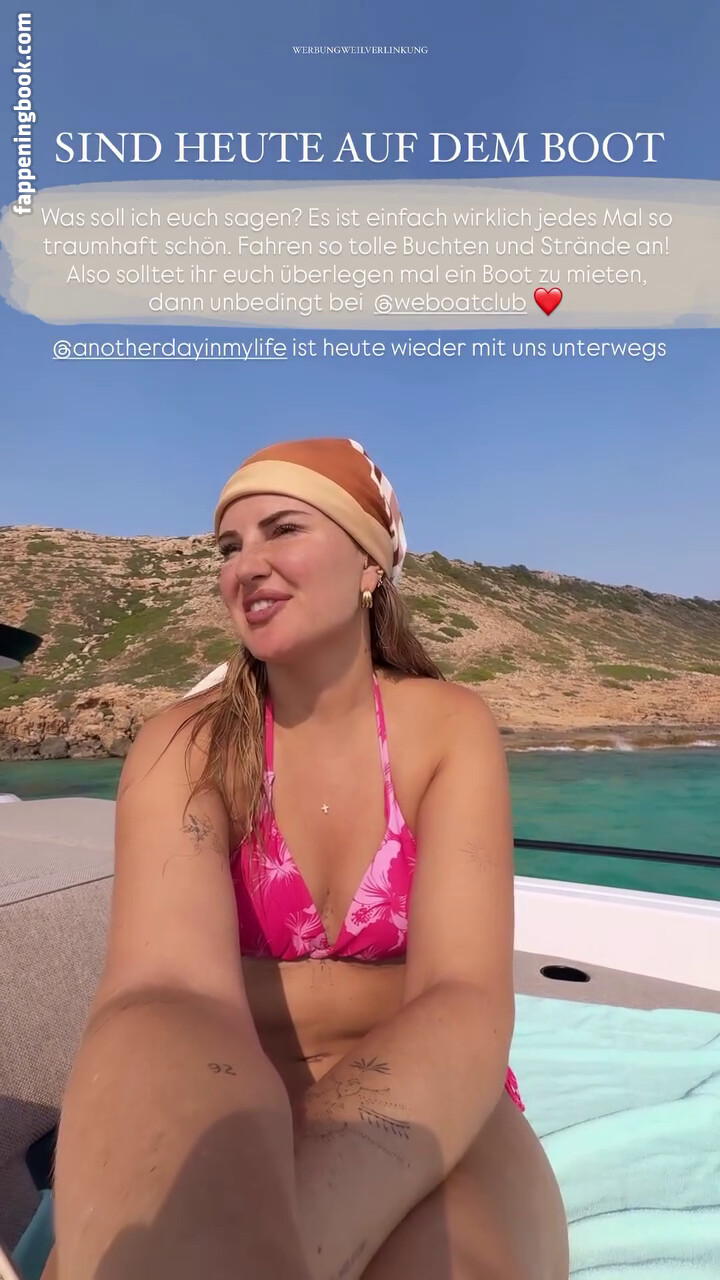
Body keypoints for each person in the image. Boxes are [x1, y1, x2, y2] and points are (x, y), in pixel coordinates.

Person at [48, 437, 569, 1280]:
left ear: (369, 564)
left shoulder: (448, 728)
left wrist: (283, 1244)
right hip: (227, 1079)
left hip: (428, 1084)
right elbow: (167, 993)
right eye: (229, 547)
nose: (245, 566)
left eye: (282, 529)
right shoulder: (183, 747)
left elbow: (462, 998)